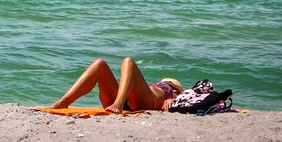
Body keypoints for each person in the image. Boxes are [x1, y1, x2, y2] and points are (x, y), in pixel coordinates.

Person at [49, 57, 183, 113]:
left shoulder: (176, 92)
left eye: (168, 83)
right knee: (100, 64)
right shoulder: (154, 87)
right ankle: (63, 102)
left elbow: (189, 100)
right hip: (131, 100)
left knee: (128, 61)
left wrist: (173, 98)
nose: (166, 83)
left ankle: (118, 103)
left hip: (144, 102)